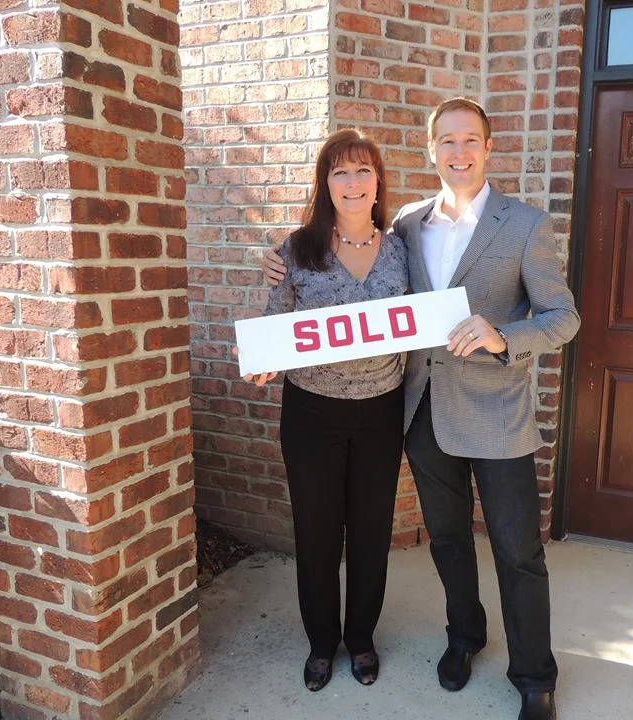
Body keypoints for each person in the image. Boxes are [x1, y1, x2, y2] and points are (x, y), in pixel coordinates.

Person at [264, 98, 579, 720]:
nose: (459, 152)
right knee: (449, 541)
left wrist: (502, 336)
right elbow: (325, 275)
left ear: (488, 148)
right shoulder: (408, 225)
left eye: (470, 140)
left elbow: (562, 318)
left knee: (517, 550)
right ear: (430, 150)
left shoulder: (524, 224)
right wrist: (275, 262)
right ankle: (464, 639)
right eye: (447, 141)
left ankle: (534, 676)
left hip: (495, 413)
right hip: (421, 412)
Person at [243, 129, 409, 692]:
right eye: (340, 171)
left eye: (363, 170)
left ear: (378, 181)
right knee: (316, 534)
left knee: (370, 532)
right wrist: (263, 361)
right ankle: (320, 643)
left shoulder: (401, 251)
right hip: (311, 414)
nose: (353, 182)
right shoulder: (297, 250)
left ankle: (360, 638)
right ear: (325, 183)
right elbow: (275, 323)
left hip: (381, 412)